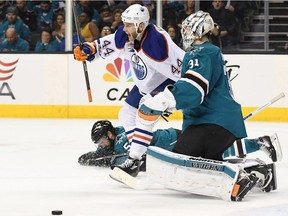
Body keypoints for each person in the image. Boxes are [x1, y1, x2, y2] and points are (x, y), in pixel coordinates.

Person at [111, 10, 262, 200]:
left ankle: (238, 180)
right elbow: (191, 90)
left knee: (180, 158)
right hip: (217, 122)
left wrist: (165, 99)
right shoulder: (204, 53)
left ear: (199, 30)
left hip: (212, 123)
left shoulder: (203, 51)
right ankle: (258, 170)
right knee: (203, 162)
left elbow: (194, 88)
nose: (185, 32)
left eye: (189, 28)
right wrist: (165, 100)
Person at [73, 4, 185, 162]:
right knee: (126, 114)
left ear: (140, 26)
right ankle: (140, 151)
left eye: (128, 25)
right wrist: (91, 49)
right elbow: (113, 42)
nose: (124, 28)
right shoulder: (129, 34)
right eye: (124, 24)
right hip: (147, 84)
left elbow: (182, 68)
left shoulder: (156, 44)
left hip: (166, 82)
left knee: (143, 116)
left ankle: (139, 153)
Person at [79, 120, 281, 168]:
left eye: (103, 140)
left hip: (174, 143)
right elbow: (106, 154)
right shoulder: (114, 140)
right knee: (215, 153)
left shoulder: (124, 140)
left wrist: (104, 162)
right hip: (172, 143)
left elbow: (126, 159)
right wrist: (93, 157)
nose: (102, 145)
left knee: (214, 154)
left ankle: (258, 143)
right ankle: (257, 145)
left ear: (110, 134)